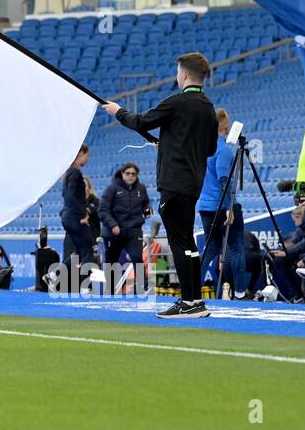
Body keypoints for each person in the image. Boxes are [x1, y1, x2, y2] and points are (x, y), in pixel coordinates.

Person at [104, 52, 217, 319]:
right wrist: (169, 144)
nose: (177, 76)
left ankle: (188, 302)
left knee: (179, 243)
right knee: (188, 243)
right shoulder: (208, 107)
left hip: (173, 183)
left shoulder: (177, 102)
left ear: (185, 75)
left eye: (178, 72)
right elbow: (209, 148)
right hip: (192, 185)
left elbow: (141, 121)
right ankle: (195, 300)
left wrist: (118, 111)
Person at [198, 108, 245, 298]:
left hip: (205, 206)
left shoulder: (201, 148)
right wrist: (229, 207)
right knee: (236, 248)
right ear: (226, 128)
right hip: (222, 205)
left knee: (210, 249)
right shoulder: (223, 150)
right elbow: (223, 179)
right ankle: (241, 292)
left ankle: (192, 287)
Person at [99, 163, 150, 295]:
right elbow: (103, 210)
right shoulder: (112, 189)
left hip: (133, 230)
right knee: (111, 261)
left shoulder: (141, 188)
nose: (131, 176)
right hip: (114, 232)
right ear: (122, 174)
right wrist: (113, 225)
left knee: (137, 258)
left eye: (133, 174)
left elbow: (146, 204)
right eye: (128, 173)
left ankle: (142, 288)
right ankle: (109, 289)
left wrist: (147, 210)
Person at [59, 144, 91, 289]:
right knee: (87, 250)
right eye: (87, 155)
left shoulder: (68, 174)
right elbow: (71, 195)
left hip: (67, 216)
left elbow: (66, 195)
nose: (87, 159)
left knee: (78, 251)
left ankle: (54, 274)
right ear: (81, 154)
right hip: (73, 216)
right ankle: (85, 286)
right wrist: (82, 214)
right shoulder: (75, 173)